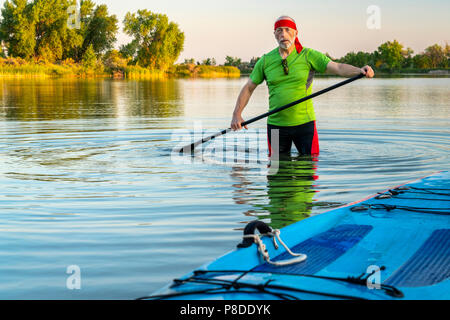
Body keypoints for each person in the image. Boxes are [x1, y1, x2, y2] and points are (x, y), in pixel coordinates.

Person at [230, 16, 375, 158]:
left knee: (309, 170)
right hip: (275, 126)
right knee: (275, 170)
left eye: (287, 30)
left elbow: (337, 67)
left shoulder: (309, 55)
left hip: (304, 125)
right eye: (279, 31)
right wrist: (237, 114)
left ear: (296, 33)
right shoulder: (265, 60)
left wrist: (359, 70)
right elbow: (249, 87)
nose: (283, 34)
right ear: (274, 34)